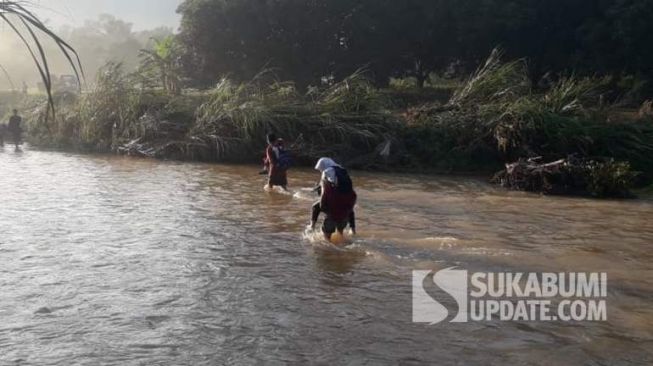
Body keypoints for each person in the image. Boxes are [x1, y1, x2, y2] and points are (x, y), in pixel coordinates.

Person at [310, 157, 357, 241]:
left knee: (326, 238)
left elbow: (325, 190)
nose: (320, 171)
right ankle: (348, 234)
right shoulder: (342, 170)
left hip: (334, 203)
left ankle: (312, 227)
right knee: (340, 234)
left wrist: (323, 204)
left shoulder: (326, 172)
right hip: (348, 200)